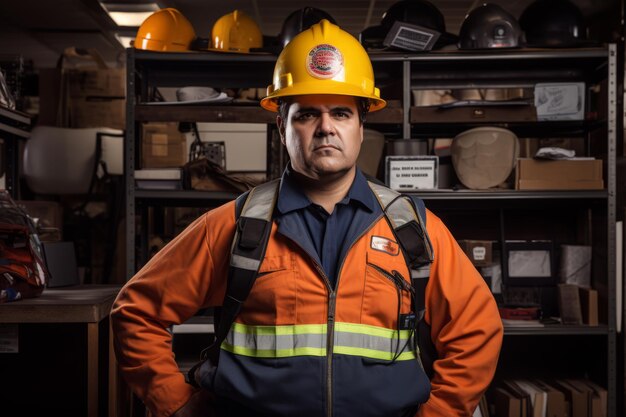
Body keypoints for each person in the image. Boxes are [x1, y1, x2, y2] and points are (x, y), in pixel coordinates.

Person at [111, 19, 503, 417]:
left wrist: (439, 413)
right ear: (282, 126)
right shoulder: (235, 226)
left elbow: (477, 328)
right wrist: (174, 403)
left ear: (361, 127)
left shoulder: (411, 228)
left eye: (341, 113)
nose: (325, 128)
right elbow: (136, 311)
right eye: (306, 115)